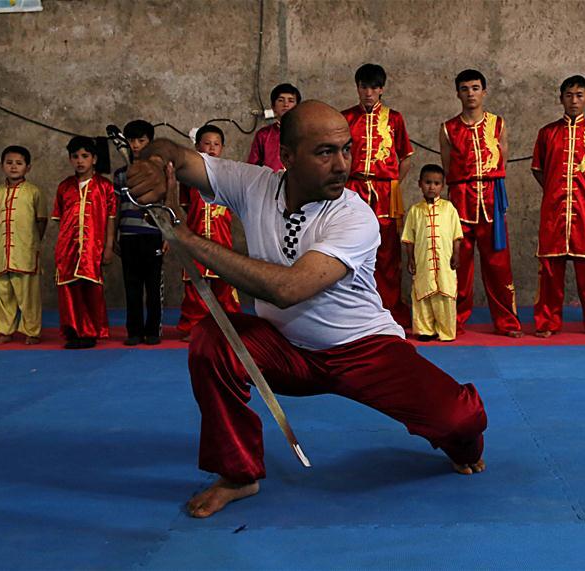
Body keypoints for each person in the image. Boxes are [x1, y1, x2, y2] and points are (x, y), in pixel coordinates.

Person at [126, 101, 487, 518]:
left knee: (460, 421)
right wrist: (152, 162)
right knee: (214, 338)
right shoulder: (254, 184)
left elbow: (288, 288)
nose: (342, 165)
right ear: (288, 156)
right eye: (325, 152)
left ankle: (462, 444)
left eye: (346, 150)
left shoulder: (355, 216)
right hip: (286, 350)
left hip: (363, 349)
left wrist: (186, 239)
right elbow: (178, 155)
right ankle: (238, 474)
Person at [440, 70, 523, 337]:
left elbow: (503, 160)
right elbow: (446, 166)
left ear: (484, 91)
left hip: (491, 199)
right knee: (458, 265)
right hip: (461, 200)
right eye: (464, 89)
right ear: (457, 93)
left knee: (498, 265)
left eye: (475, 88)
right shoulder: (447, 128)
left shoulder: (498, 124)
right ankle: (454, 321)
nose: (470, 93)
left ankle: (507, 322)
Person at [531, 75, 585, 338]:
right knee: (550, 273)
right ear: (561, 99)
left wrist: (584, 194)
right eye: (569, 95)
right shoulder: (547, 133)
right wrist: (556, 191)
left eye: (579, 95)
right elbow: (539, 171)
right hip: (554, 213)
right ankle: (547, 323)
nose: (574, 100)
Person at [342, 64, 413, 327]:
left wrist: (393, 184)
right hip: (353, 188)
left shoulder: (394, 118)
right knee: (350, 248)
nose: (368, 93)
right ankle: (352, 310)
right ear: (357, 88)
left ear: (382, 89)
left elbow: (405, 157)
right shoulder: (345, 118)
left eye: (373, 87)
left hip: (385, 192)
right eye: (363, 87)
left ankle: (389, 307)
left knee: (387, 252)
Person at [52, 136, 117, 349]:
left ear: (94, 159)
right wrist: (61, 247)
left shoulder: (105, 187)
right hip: (67, 247)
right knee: (69, 289)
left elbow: (110, 220)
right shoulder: (64, 187)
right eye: (75, 157)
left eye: (85, 156)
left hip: (92, 248)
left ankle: (90, 331)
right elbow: (59, 220)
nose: (80, 161)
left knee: (91, 289)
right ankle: (72, 330)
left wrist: (108, 247)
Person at [177, 124, 240, 341]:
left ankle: (230, 327)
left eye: (216, 144)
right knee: (196, 286)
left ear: (222, 148)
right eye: (207, 144)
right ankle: (195, 327)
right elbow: (184, 207)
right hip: (196, 240)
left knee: (224, 286)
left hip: (222, 240)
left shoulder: (231, 175)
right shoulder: (187, 177)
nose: (212, 148)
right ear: (197, 146)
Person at [0, 145, 47, 345]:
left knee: (28, 295)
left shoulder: (34, 192)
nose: (14, 167)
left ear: (28, 167)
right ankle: (5, 331)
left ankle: (32, 331)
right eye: (9, 163)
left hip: (26, 253)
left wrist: (34, 244)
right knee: (4, 294)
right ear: (2, 165)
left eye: (19, 163)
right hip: (1, 254)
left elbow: (41, 220)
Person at [114, 120, 165, 346]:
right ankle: (133, 332)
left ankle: (152, 330)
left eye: (141, 140)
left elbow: (166, 205)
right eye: (132, 141)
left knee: (153, 287)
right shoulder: (120, 174)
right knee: (131, 287)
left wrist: (168, 235)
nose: (135, 145)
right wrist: (113, 236)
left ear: (150, 143)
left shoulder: (160, 172)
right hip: (128, 237)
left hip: (153, 235)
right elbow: (115, 207)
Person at [401, 164, 462, 342]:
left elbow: (456, 235)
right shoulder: (414, 211)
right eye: (428, 182)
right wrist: (410, 259)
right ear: (420, 184)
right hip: (423, 262)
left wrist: (456, 254)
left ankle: (446, 331)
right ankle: (424, 330)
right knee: (422, 294)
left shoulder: (449, 208)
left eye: (436, 183)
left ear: (442, 186)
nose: (432, 187)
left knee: (445, 294)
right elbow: (409, 238)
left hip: (444, 262)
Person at [247, 83, 301, 171]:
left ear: (298, 106)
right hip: (270, 183)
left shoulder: (306, 133)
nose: (286, 104)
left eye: (291, 101)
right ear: (273, 106)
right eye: (281, 100)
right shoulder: (263, 135)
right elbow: (252, 168)